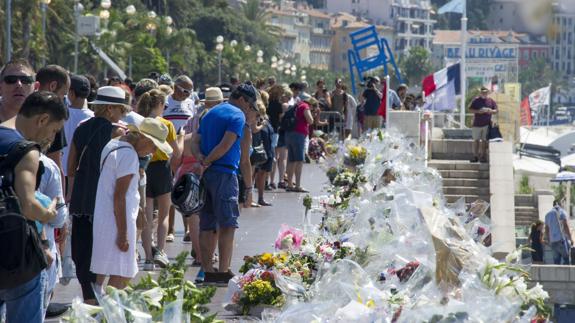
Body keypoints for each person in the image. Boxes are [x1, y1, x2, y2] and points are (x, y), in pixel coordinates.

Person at [0, 91, 68, 323]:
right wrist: (49, 213)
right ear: (42, 120)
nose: (52, 137)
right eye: (54, 130)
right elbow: (28, 205)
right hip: (17, 255)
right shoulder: (27, 151)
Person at [91, 118, 172, 292]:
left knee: (104, 270)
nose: (154, 151)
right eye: (154, 146)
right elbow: (119, 196)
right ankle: (109, 311)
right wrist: (123, 234)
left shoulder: (114, 143)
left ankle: (99, 301)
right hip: (119, 219)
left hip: (106, 216)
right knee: (123, 273)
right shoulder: (129, 155)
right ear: (145, 139)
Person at [67, 86, 130, 304]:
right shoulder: (118, 133)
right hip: (103, 201)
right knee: (103, 251)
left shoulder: (81, 128)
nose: (122, 115)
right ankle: (101, 302)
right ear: (111, 109)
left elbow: (71, 166)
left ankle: (88, 297)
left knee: (82, 251)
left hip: (80, 200)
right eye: (121, 110)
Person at [191, 83, 258, 285]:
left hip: (207, 175)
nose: (249, 108)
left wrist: (201, 159)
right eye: (250, 104)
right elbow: (226, 144)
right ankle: (222, 272)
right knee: (227, 225)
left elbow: (194, 140)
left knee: (207, 225)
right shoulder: (237, 116)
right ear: (244, 100)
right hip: (225, 174)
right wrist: (248, 188)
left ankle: (206, 270)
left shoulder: (210, 113)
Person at [178, 87, 224, 282]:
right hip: (206, 167)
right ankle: (208, 258)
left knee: (195, 217)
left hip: (187, 168)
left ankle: (200, 254)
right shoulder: (218, 121)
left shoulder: (191, 120)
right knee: (212, 220)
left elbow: (181, 147)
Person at [137, 89, 180, 268]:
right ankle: (160, 251)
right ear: (161, 105)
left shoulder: (141, 123)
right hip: (162, 169)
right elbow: (176, 152)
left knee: (146, 215)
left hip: (144, 168)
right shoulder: (166, 125)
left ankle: (147, 257)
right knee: (164, 214)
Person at [36, 65, 71, 171]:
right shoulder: (54, 117)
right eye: (63, 94)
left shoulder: (17, 109)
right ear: (53, 86)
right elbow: (56, 160)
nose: (63, 100)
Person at [63, 75, 94, 180]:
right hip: (81, 173)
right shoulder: (94, 117)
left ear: (71, 93)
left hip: (61, 170)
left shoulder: (61, 114)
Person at [285, 95, 315, 193]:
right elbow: (310, 120)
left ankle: (289, 184)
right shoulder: (305, 106)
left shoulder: (297, 106)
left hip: (289, 133)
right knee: (299, 160)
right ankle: (297, 185)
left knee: (291, 160)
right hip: (299, 134)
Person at [253, 102, 274, 206]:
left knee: (262, 174)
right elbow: (254, 131)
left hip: (267, 150)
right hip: (258, 151)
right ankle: (250, 198)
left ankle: (261, 198)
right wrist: (261, 125)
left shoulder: (265, 120)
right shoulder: (256, 121)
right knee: (254, 174)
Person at [469, 87, 497, 163]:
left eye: (485, 92)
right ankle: (475, 156)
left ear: (488, 93)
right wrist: (478, 111)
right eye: (483, 92)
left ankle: (483, 157)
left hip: (486, 124)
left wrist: (490, 110)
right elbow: (470, 109)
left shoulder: (491, 101)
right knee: (476, 141)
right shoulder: (476, 100)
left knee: (484, 141)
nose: (484, 93)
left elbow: (496, 110)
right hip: (476, 124)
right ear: (480, 93)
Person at [545, 199, 573, 265]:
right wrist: (570, 238)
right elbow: (565, 226)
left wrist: (549, 240)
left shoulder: (547, 214)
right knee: (566, 260)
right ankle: (566, 275)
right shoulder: (562, 212)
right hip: (561, 241)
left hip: (553, 242)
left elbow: (546, 229)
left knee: (556, 262)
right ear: (560, 205)